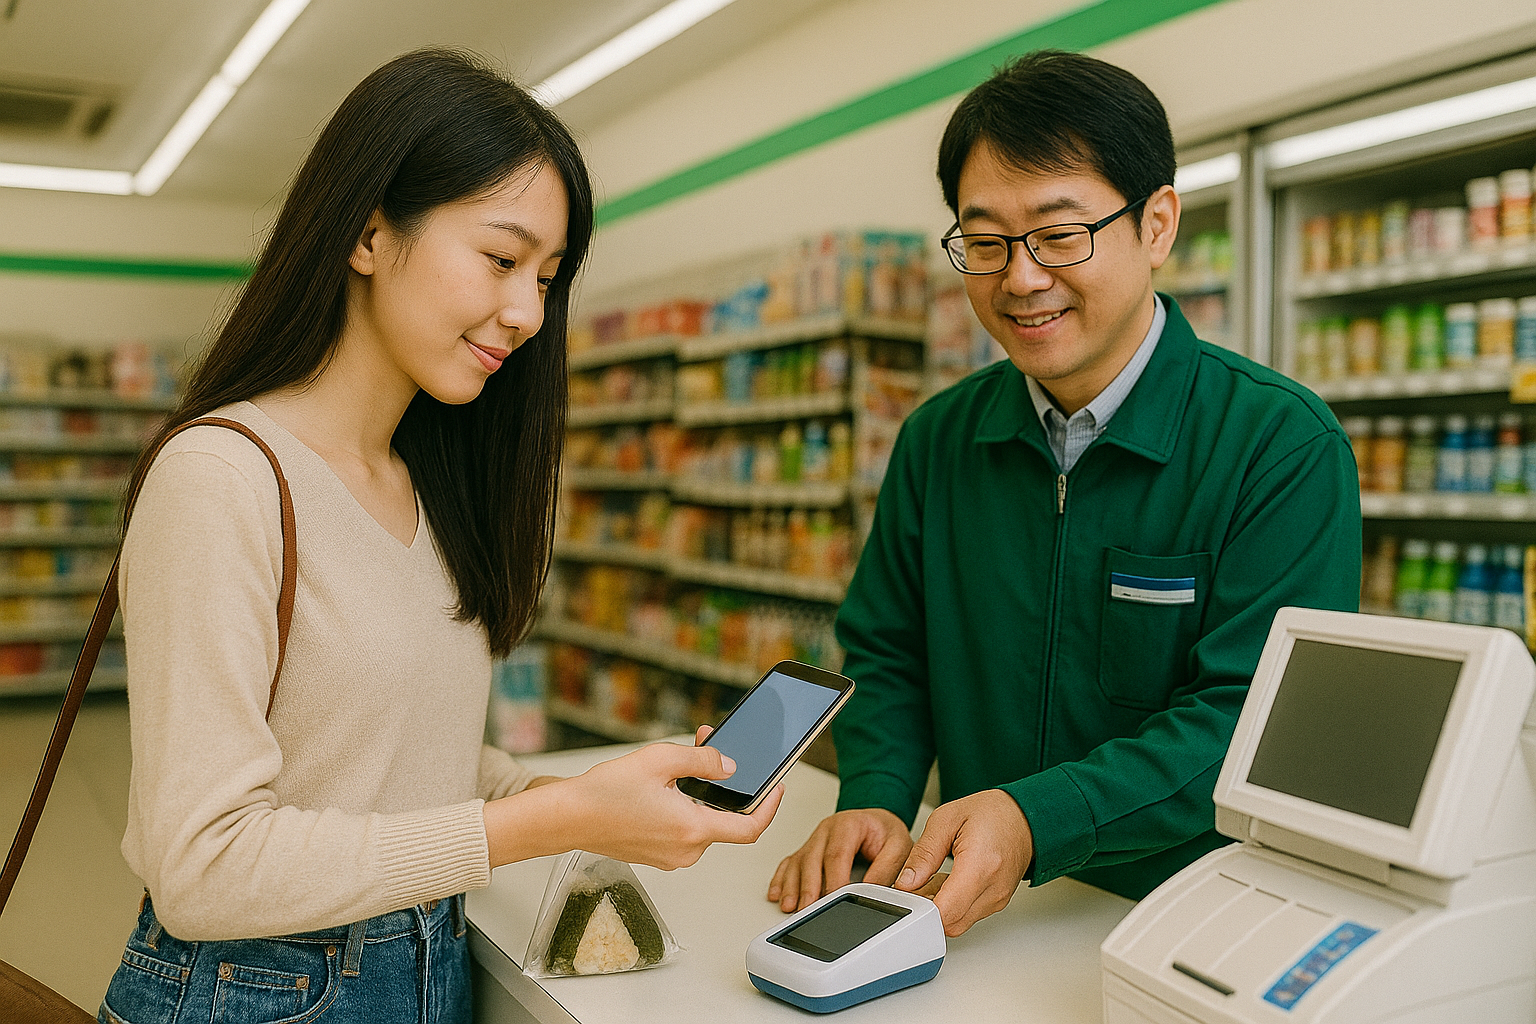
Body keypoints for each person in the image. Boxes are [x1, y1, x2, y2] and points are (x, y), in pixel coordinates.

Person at [99, 49, 779, 1024]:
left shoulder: (424, 485)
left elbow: (408, 769)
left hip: (425, 972)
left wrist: (596, 790)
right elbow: (201, 868)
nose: (528, 312)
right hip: (254, 994)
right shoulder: (223, 477)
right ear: (370, 233)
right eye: (502, 260)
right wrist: (545, 820)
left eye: (548, 277)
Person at [769, 50, 1360, 937]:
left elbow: (1250, 718)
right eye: (987, 241)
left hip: (1188, 920)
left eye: (1058, 235)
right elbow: (888, 651)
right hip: (975, 913)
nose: (1021, 278)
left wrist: (1035, 819)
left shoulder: (1278, 446)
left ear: (1157, 224)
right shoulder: (938, 440)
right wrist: (877, 798)